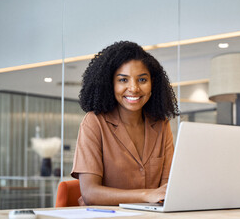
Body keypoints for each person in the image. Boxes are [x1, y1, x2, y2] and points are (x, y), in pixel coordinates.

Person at [71, 41, 179, 206]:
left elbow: (166, 190)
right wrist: (146, 195)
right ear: (110, 84)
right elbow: (90, 193)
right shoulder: (94, 122)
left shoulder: (161, 124)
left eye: (142, 79)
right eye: (123, 80)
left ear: (153, 84)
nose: (134, 88)